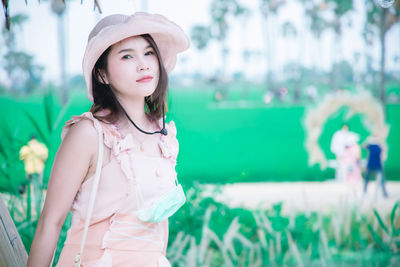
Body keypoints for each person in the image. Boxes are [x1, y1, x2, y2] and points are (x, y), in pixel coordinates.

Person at [27, 12, 189, 267]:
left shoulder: (163, 135)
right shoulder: (89, 134)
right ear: (102, 74)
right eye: (127, 56)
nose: (144, 64)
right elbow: (51, 222)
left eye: (148, 53)